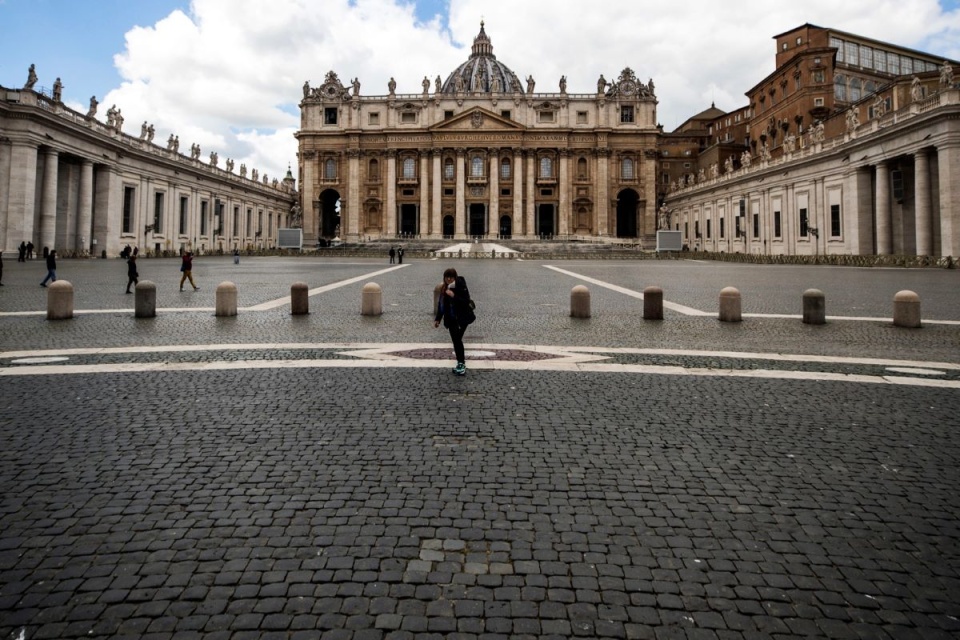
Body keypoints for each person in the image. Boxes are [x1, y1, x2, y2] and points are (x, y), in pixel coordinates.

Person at [433, 268, 476, 376]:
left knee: (457, 341)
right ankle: (460, 363)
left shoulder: (460, 286)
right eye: (447, 277)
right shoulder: (444, 288)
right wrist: (438, 319)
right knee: (456, 341)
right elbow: (441, 305)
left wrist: (453, 296)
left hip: (461, 319)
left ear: (455, 277)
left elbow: (465, 301)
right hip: (451, 319)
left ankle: (461, 364)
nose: (449, 279)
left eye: (451, 277)